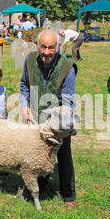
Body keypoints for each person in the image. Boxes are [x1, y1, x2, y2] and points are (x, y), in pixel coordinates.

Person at [19, 29, 78, 209]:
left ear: (58, 47)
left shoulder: (67, 68)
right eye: (43, 47)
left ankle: (68, 194)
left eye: (51, 48)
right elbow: (24, 85)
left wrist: (61, 125)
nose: (46, 52)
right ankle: (39, 186)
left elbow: (68, 101)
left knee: (63, 153)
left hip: (58, 120)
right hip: (36, 118)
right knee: (38, 153)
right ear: (37, 46)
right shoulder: (29, 60)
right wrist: (24, 105)